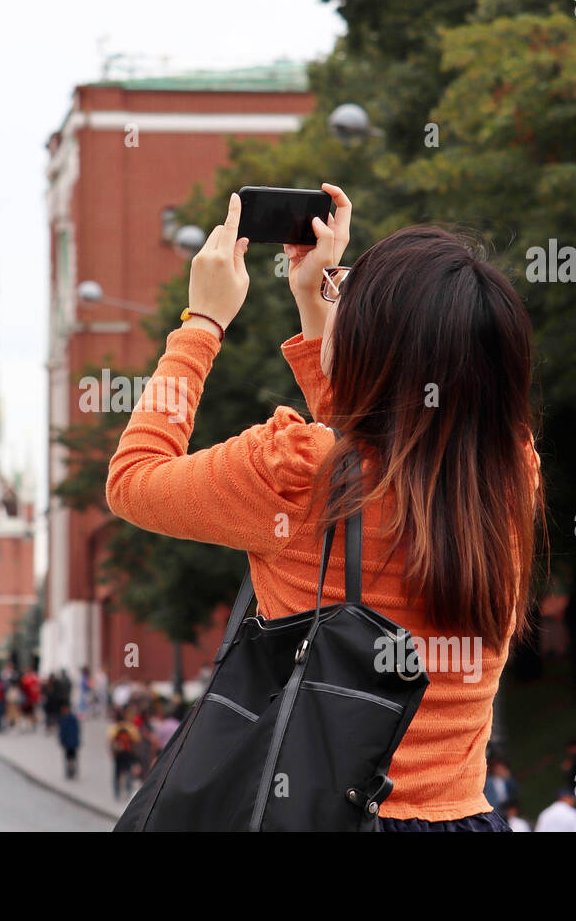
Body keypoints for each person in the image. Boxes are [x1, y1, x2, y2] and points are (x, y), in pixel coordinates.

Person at [103, 192, 543, 830]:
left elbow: (134, 477)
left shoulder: (292, 470)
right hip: (464, 818)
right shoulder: (511, 471)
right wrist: (315, 301)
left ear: (370, 344)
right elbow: (379, 442)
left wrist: (200, 323)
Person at [108, 710, 139, 799]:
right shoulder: (130, 727)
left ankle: (117, 792)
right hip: (127, 753)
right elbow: (136, 740)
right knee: (128, 772)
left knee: (117, 773)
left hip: (118, 754)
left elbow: (110, 741)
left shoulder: (114, 728)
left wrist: (111, 752)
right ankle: (128, 791)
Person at [57, 702, 81, 779]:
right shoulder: (65, 719)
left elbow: (75, 731)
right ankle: (71, 771)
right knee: (70, 758)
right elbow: (61, 732)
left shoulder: (68, 719)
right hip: (69, 742)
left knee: (71, 757)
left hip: (70, 742)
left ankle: (72, 771)